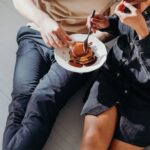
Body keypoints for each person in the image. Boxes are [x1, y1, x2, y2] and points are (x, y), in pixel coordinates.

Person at [2, 0, 114, 150]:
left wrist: (87, 44)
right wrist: (44, 21)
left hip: (77, 50)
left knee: (42, 101)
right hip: (37, 34)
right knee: (20, 101)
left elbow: (114, 24)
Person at [80, 0, 150, 150]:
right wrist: (107, 23)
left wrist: (142, 31)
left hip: (144, 100)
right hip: (112, 78)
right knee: (90, 145)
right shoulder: (130, 4)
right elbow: (122, 27)